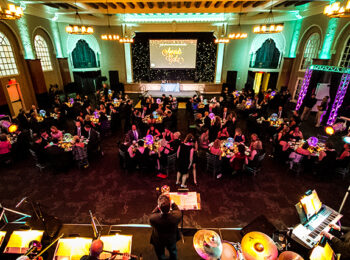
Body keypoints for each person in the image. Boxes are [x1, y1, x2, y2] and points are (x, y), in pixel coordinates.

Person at [149, 194, 182, 260]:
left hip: (159, 239)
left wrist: (159, 205)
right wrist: (172, 202)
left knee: (160, 254)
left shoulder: (153, 218)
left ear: (159, 208)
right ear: (169, 206)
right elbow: (177, 209)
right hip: (171, 239)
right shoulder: (177, 216)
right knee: (173, 251)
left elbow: (153, 213)